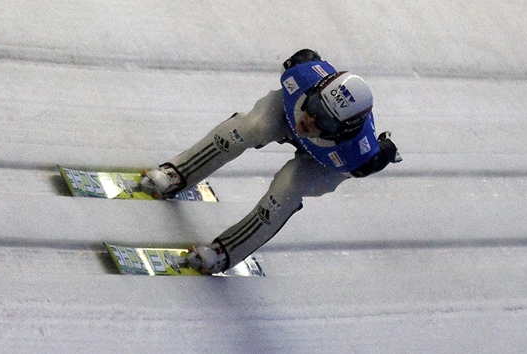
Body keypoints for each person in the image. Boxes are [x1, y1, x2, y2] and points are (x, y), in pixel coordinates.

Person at [140, 49, 402, 274]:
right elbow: (307, 59)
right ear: (314, 89)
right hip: (295, 120)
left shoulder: (357, 156)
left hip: (326, 162)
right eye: (315, 106)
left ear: (344, 130)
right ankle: (179, 172)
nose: (309, 119)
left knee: (288, 188)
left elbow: (377, 159)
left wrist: (387, 149)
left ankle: (225, 252)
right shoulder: (304, 73)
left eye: (326, 120)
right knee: (251, 126)